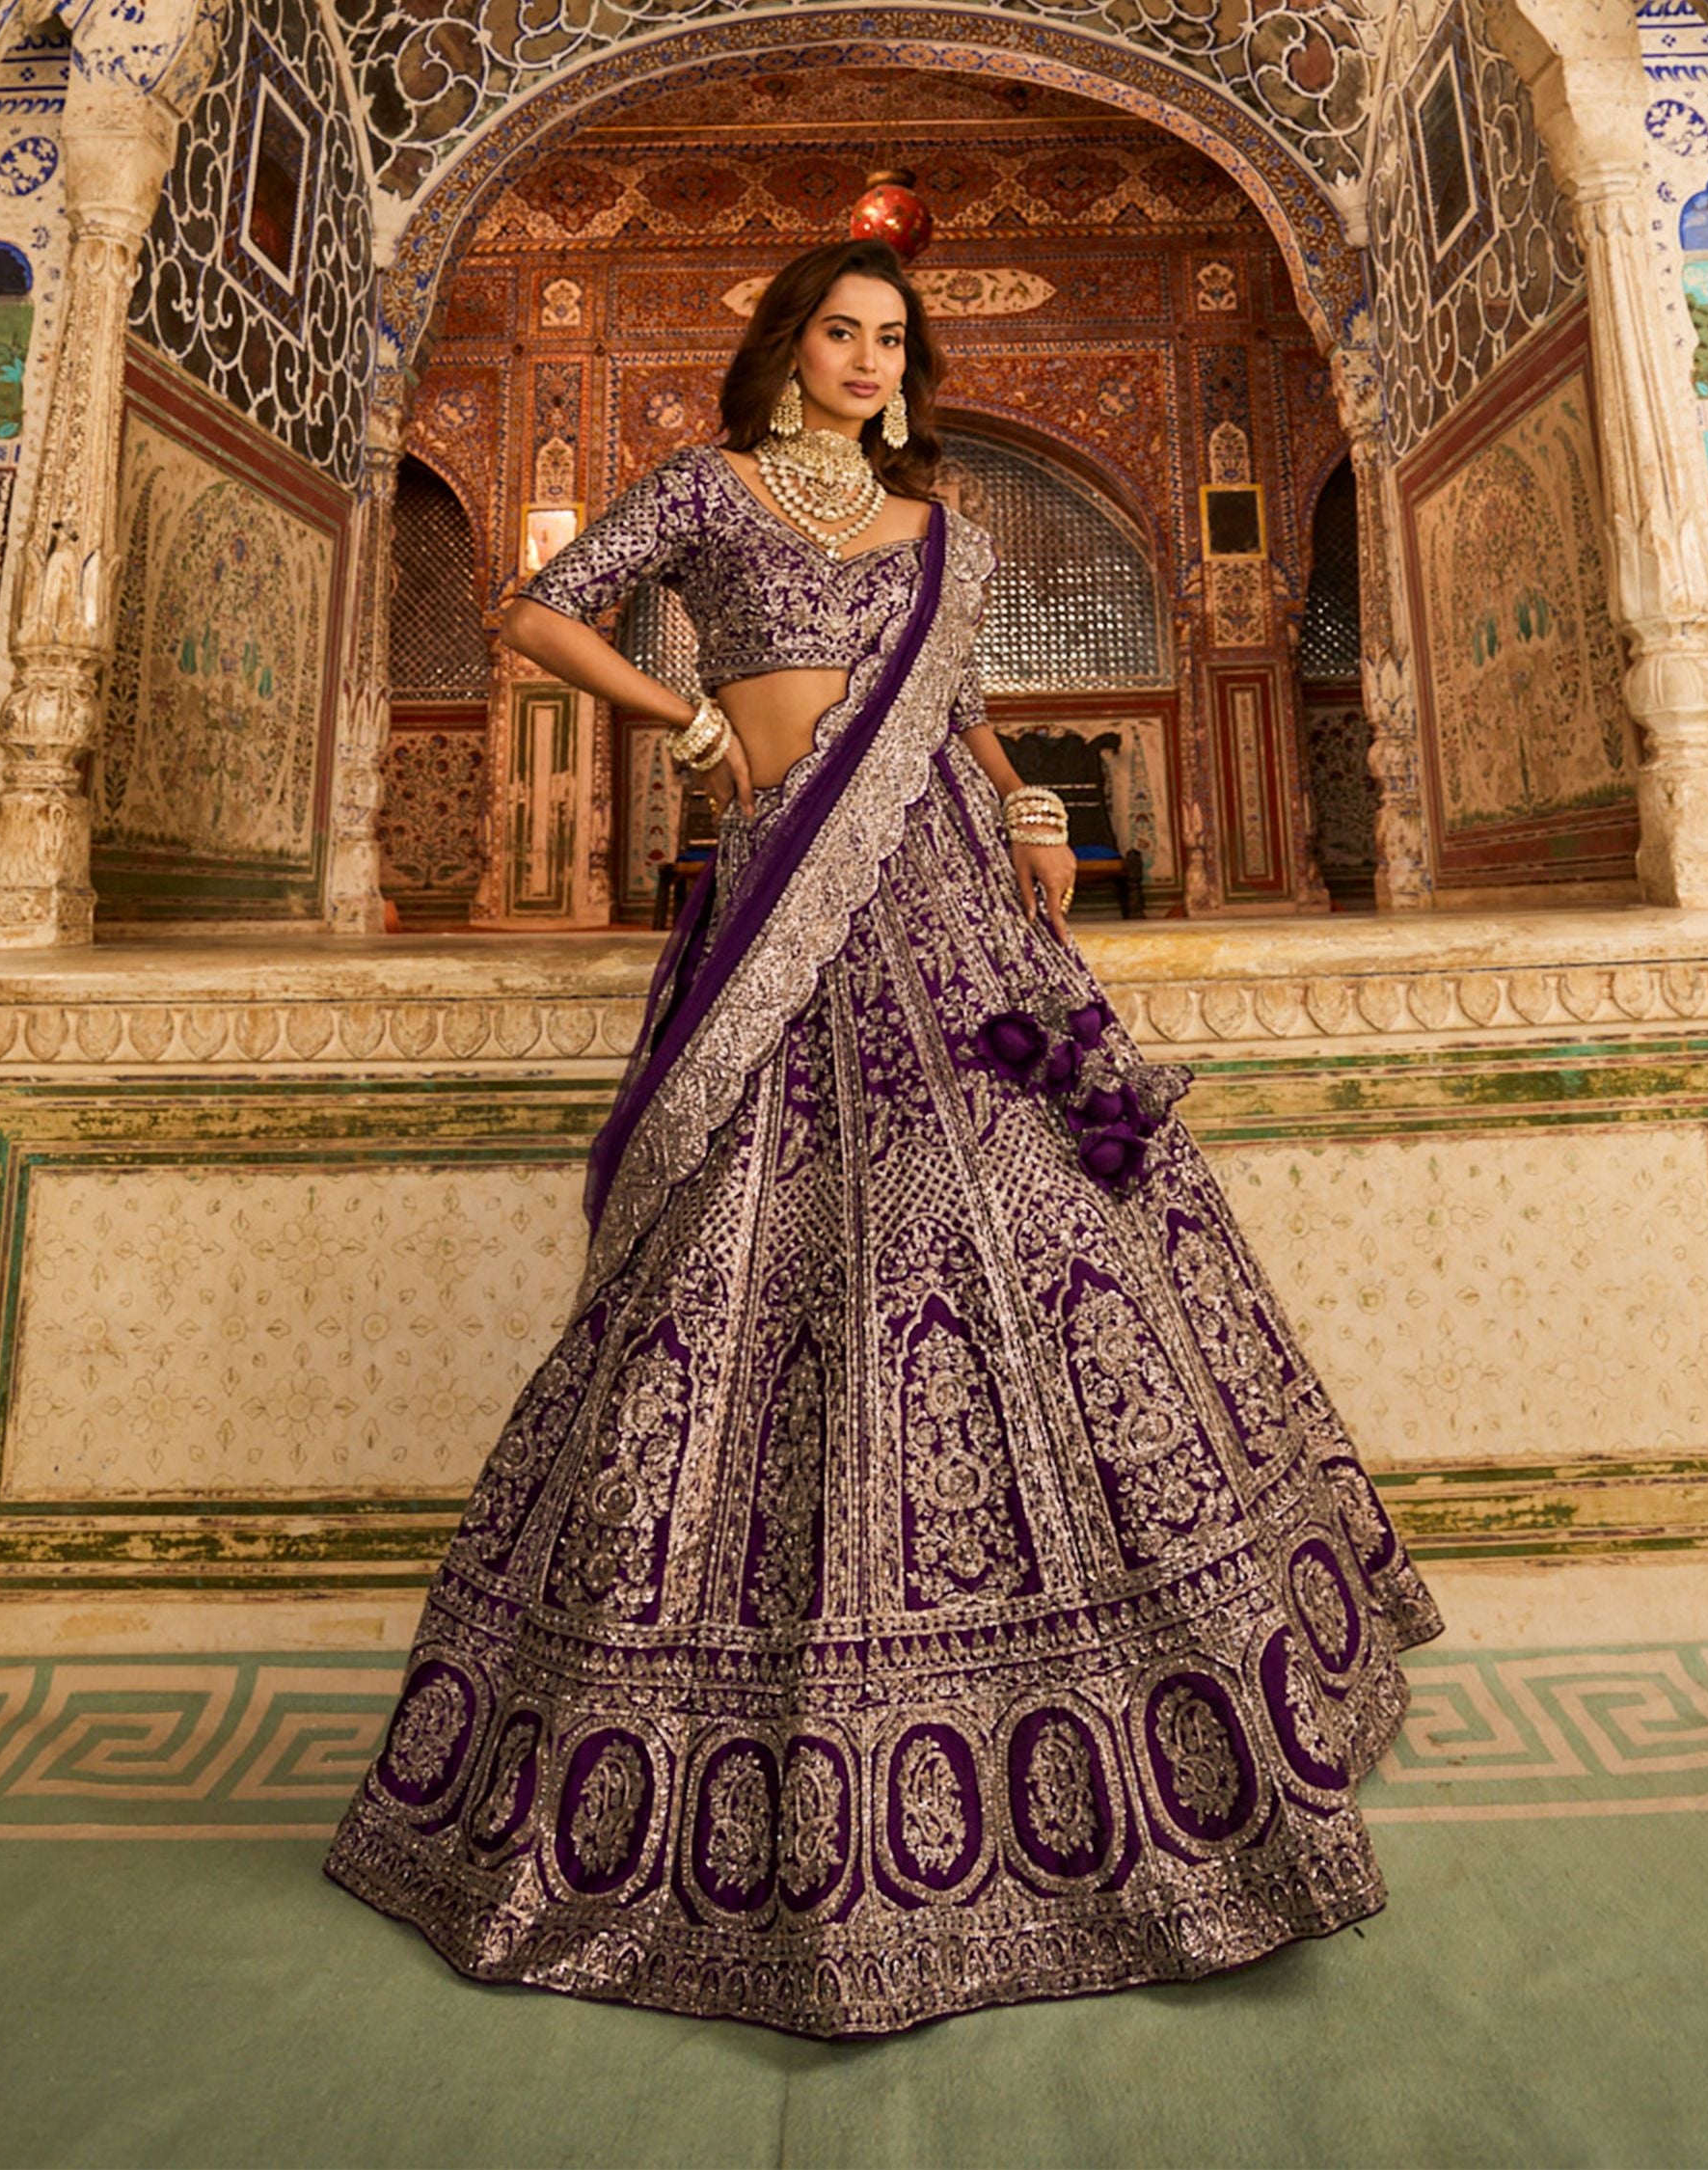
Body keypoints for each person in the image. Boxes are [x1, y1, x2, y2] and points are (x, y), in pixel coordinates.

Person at [325, 236, 1443, 2038]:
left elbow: (968, 713)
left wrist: (1031, 811)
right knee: (750, 1251)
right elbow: (530, 613)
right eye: (841, 330)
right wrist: (689, 722)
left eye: (891, 337)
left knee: (1036, 1214)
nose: (867, 356)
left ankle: (1135, 1682)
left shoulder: (950, 534)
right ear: (787, 345)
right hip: (776, 895)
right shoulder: (704, 491)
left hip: (948, 896)